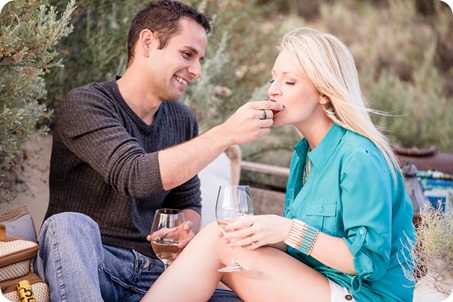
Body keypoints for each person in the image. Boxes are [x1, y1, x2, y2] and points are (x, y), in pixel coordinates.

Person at [142, 27, 417, 302]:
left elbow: (366, 262)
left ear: (324, 92)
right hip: (321, 284)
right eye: (273, 79)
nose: (273, 91)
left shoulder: (358, 156)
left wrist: (287, 229)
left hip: (362, 295)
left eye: (289, 82)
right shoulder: (304, 154)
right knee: (223, 238)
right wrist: (246, 236)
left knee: (217, 239)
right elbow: (302, 249)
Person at [35, 0, 283, 301]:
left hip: (154, 273)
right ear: (148, 43)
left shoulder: (181, 119)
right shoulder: (86, 104)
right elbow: (134, 174)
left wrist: (185, 228)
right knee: (67, 224)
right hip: (94, 265)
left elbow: (188, 202)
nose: (197, 71)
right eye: (188, 55)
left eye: (201, 59)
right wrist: (226, 133)